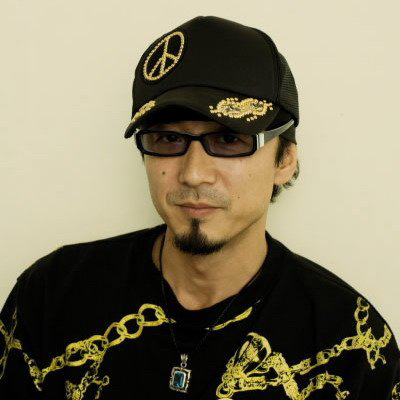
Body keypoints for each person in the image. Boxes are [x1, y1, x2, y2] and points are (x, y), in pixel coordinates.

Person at [0, 15, 399, 400]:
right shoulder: (53, 295)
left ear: (285, 160)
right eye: (168, 139)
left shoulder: (352, 342)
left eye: (229, 140)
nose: (193, 174)